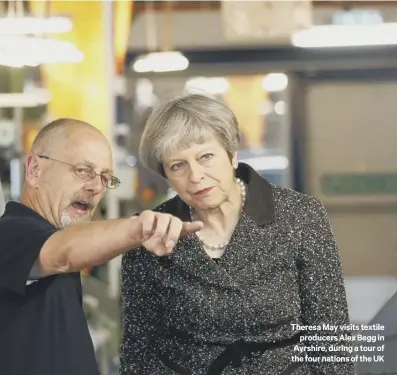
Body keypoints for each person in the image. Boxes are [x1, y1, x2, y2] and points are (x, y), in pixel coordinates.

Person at [120, 94, 355, 375]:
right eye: (177, 165)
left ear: (232, 155)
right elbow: (138, 350)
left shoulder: (300, 215)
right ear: (166, 176)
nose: (195, 176)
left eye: (206, 156)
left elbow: (330, 336)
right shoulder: (150, 233)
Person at [0, 118, 202, 375]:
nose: (96, 187)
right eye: (82, 170)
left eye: (105, 178)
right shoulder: (9, 232)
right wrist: (138, 227)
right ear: (35, 170)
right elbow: (63, 254)